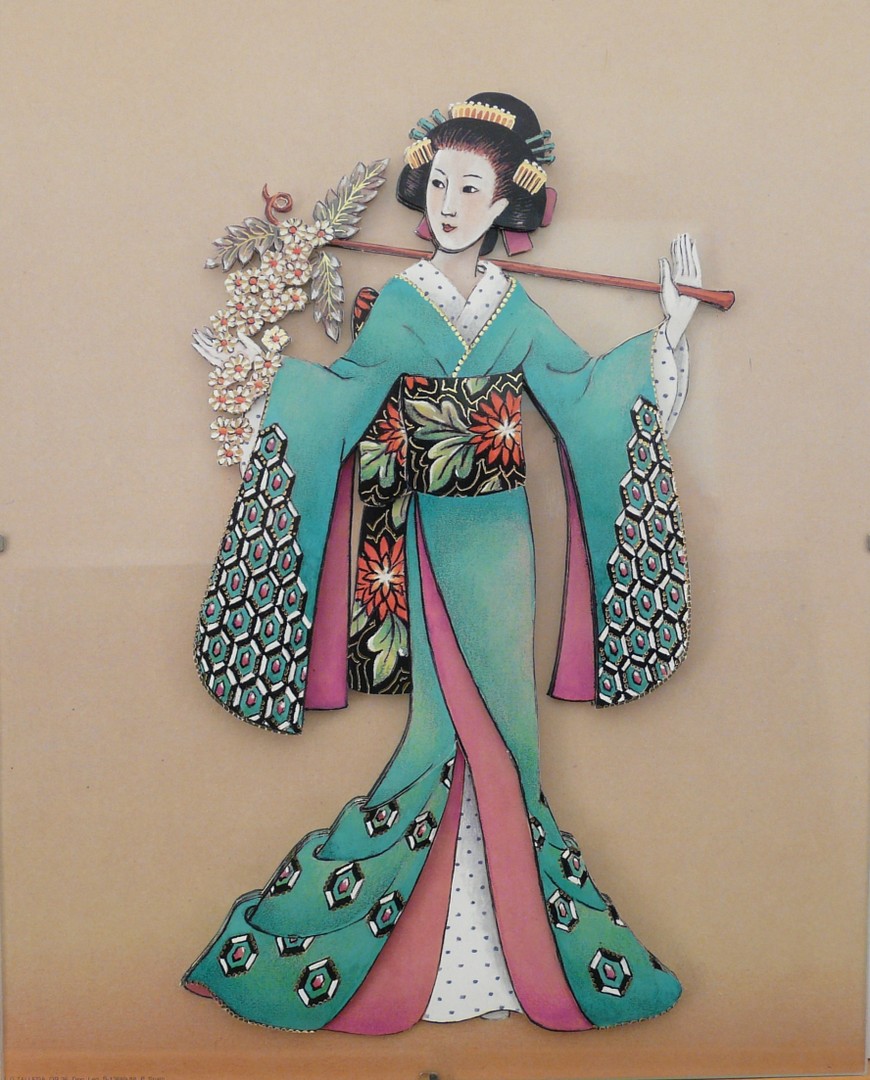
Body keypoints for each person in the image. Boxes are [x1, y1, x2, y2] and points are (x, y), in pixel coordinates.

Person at [182, 92, 700, 1033]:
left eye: (473, 188)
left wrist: (668, 336)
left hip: (503, 542)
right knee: (441, 734)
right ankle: (395, 950)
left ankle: (501, 959)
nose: (451, 204)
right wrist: (254, 375)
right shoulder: (404, 304)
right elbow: (336, 402)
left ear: (506, 205)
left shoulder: (516, 309)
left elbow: (587, 397)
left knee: (511, 740)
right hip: (423, 534)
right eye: (441, 184)